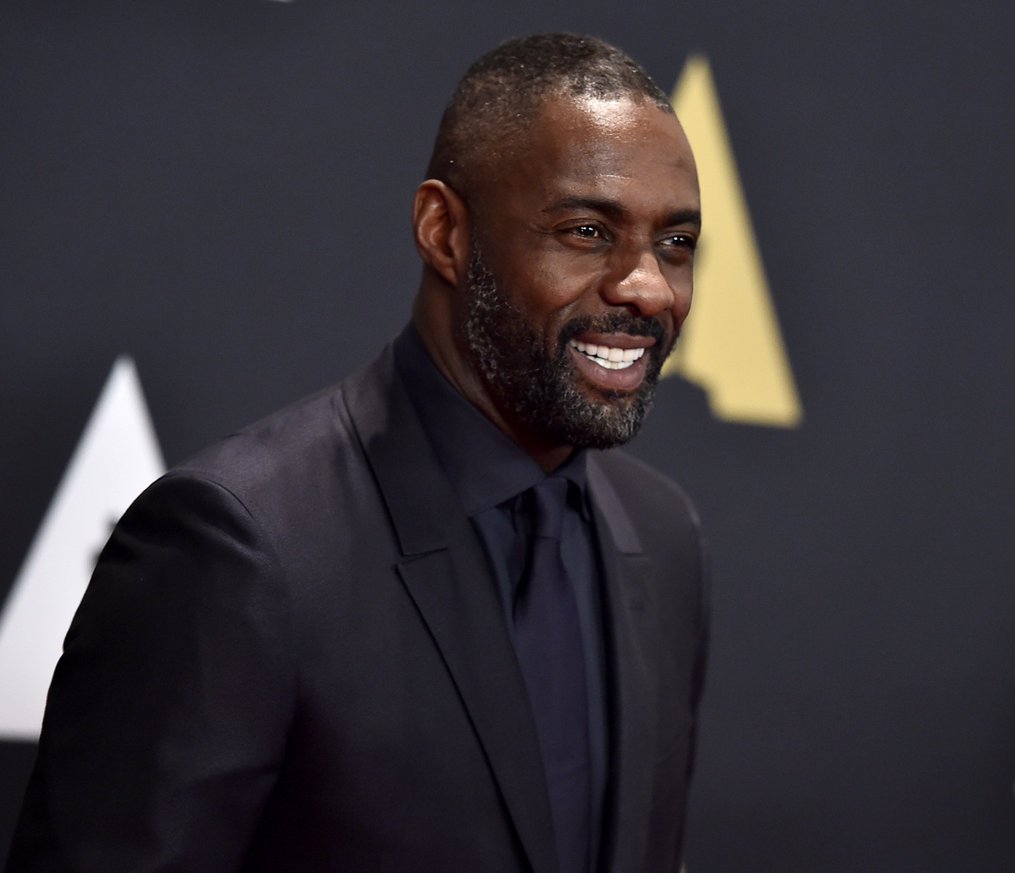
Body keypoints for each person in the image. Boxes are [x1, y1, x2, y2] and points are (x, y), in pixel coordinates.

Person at [6, 33, 709, 873]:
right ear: (445, 233)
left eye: (675, 243)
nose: (647, 286)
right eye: (587, 231)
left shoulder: (662, 537)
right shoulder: (242, 547)